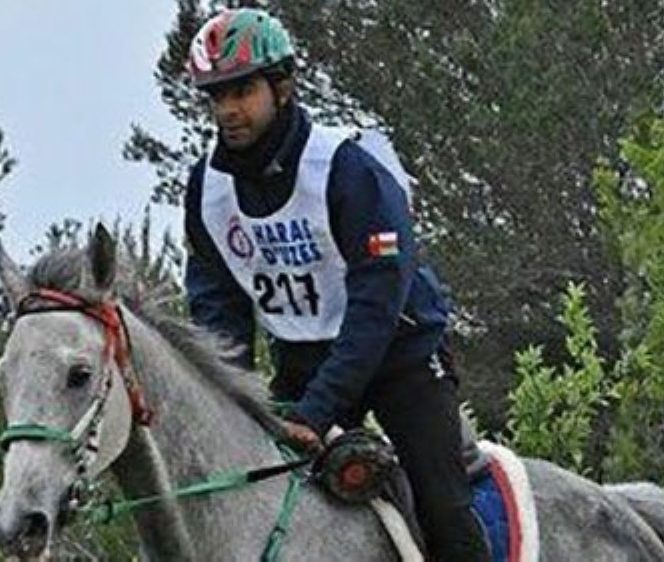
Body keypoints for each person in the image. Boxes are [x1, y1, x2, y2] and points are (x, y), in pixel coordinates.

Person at [182, 8, 489, 561]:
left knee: (443, 510)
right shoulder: (208, 188)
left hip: (399, 356)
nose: (227, 109)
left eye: (242, 90)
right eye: (215, 96)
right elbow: (216, 308)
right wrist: (236, 400)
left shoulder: (347, 166)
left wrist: (318, 409)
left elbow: (378, 300)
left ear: (282, 85)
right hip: (303, 362)